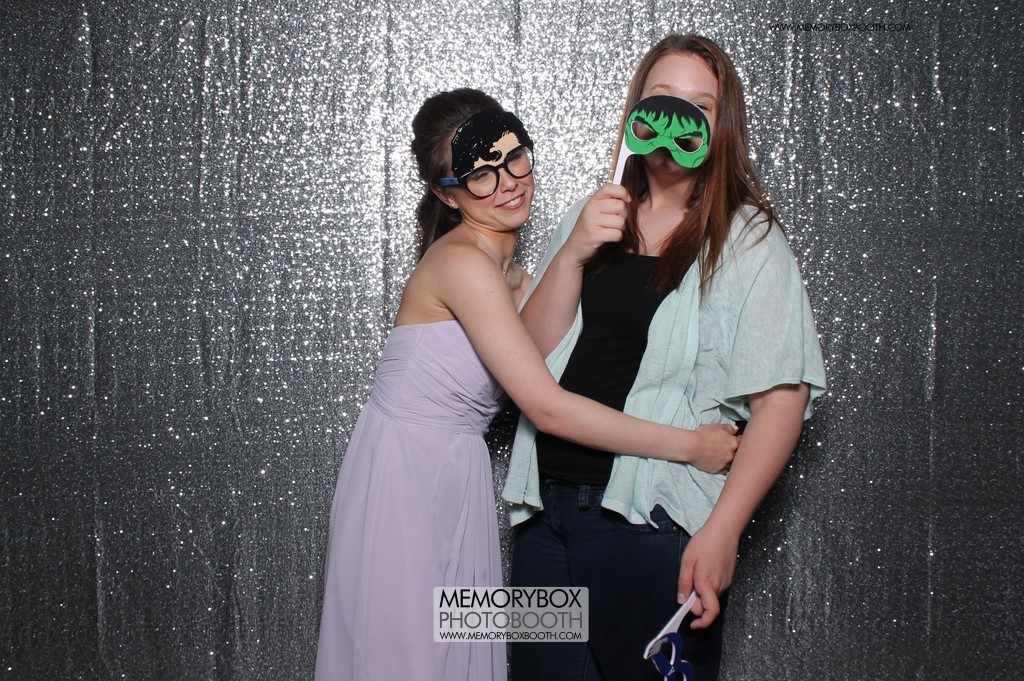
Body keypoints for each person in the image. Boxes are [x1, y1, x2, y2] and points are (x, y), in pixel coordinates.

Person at [313, 88, 739, 681]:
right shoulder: (462, 263)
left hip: (456, 473)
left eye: (514, 158)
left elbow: (560, 348)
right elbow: (547, 406)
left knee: (458, 643)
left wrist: (582, 252)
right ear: (446, 193)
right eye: (479, 175)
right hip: (407, 478)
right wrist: (691, 445)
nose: (508, 183)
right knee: (410, 652)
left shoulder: (511, 279)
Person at [503, 35, 828, 681]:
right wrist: (572, 251)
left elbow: (781, 402)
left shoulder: (749, 239)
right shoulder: (593, 214)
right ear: (637, 111)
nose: (678, 117)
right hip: (545, 518)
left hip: (650, 527)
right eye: (662, 98)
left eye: (699, 106)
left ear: (720, 125)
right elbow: (527, 357)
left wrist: (723, 531)